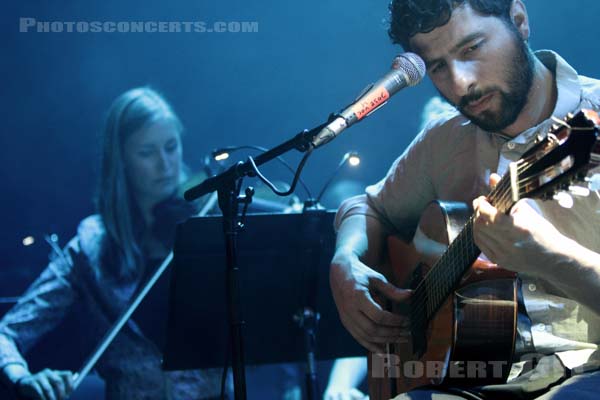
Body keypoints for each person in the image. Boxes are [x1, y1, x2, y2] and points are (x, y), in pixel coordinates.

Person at [330, 0, 600, 398]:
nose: (460, 84)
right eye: (437, 66)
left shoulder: (586, 126)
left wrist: (549, 256)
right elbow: (368, 208)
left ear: (520, 21)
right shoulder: (445, 140)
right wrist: (345, 261)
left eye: (471, 49)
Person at [0, 87, 223, 399]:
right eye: (147, 153)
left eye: (171, 147)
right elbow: (6, 334)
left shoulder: (208, 223)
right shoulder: (90, 246)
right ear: (121, 161)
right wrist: (22, 376)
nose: (166, 164)